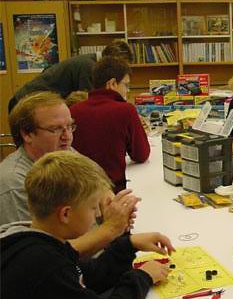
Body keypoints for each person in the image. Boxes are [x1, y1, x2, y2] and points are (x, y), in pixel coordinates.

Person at [0, 150, 174, 299]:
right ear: (65, 214)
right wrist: (142, 277)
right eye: (93, 208)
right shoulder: (45, 266)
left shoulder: (32, 238)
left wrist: (127, 245)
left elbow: (84, 273)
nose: (98, 213)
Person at [0, 91, 137, 258]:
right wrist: (110, 229)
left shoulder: (61, 152)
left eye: (70, 126)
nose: (68, 136)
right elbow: (40, 256)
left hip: (97, 259)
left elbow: (99, 181)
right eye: (56, 129)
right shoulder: (14, 183)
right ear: (27, 134)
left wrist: (109, 203)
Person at [71, 56, 150, 193]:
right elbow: (141, 154)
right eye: (126, 85)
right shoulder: (125, 110)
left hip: (79, 192)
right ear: (112, 84)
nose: (128, 90)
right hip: (112, 191)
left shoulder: (72, 110)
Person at [8, 40, 132, 113]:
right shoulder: (89, 66)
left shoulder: (91, 62)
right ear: (112, 61)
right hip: (25, 103)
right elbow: (89, 104)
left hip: (38, 103)